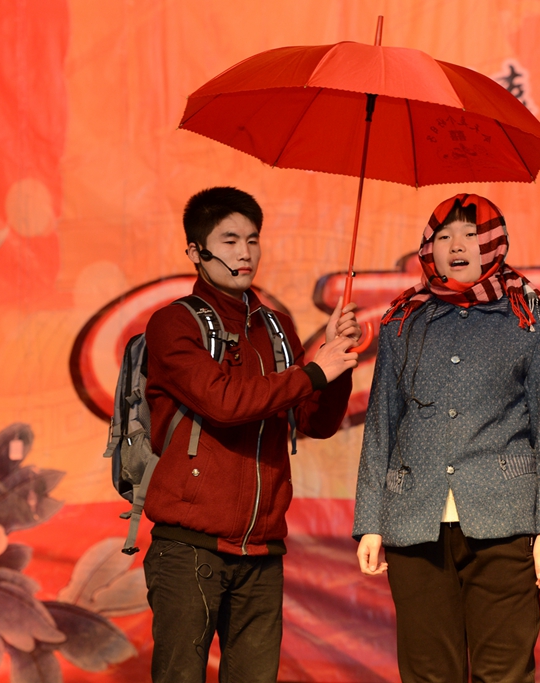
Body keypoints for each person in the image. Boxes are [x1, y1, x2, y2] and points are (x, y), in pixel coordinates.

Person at [142, 186, 360, 682]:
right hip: (190, 547)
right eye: (230, 240)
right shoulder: (173, 323)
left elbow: (315, 422)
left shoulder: (276, 327)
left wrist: (337, 359)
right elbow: (224, 403)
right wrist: (314, 372)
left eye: (253, 239)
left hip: (262, 551)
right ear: (196, 251)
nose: (245, 252)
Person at [352, 194, 540, 682]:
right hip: (414, 519)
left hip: (504, 519)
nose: (457, 246)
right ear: (429, 247)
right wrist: (369, 521)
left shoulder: (529, 317)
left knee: (504, 672)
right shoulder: (403, 320)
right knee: (428, 672)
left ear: (493, 243)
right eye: (445, 236)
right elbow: (381, 423)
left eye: (471, 235)